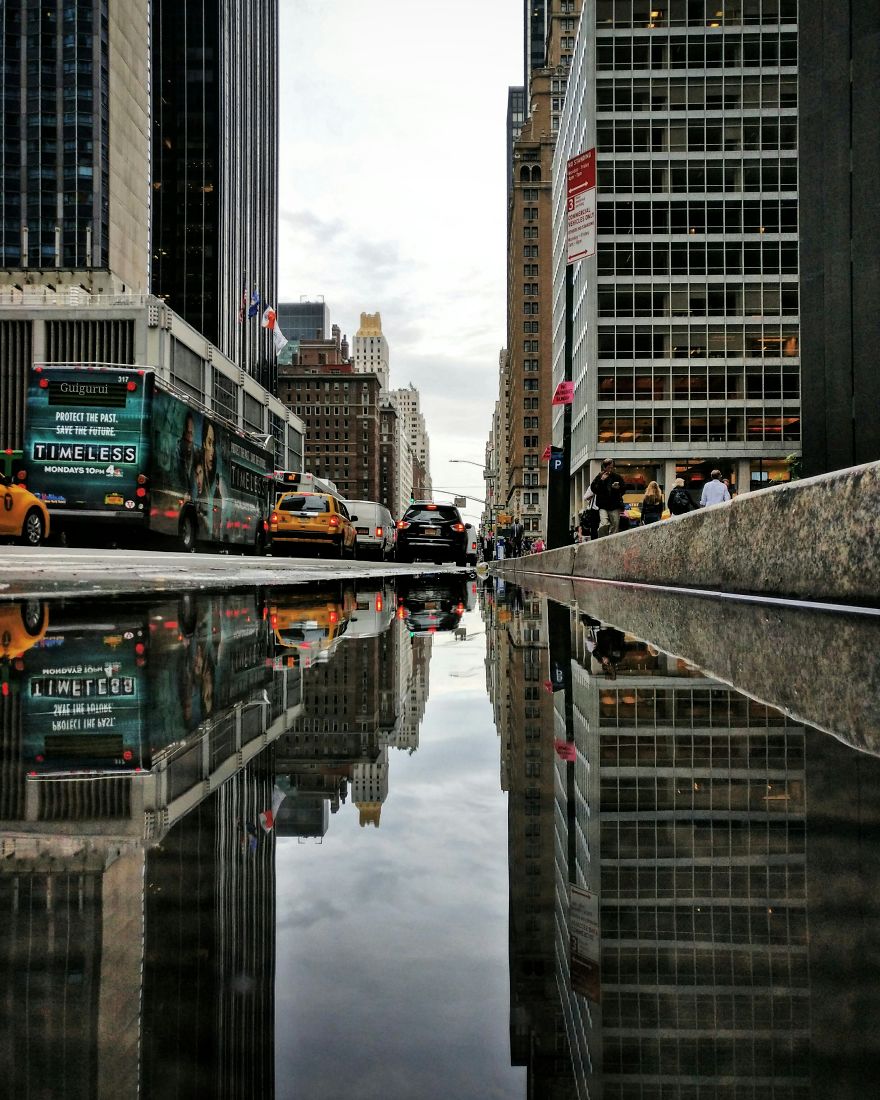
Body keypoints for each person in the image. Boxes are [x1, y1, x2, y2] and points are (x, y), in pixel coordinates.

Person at [589, 458, 626, 537]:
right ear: (604, 467)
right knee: (604, 523)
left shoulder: (617, 477)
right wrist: (601, 480)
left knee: (615, 524)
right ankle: (602, 538)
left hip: (614, 505)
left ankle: (612, 539)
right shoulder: (599, 476)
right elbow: (594, 489)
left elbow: (623, 489)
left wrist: (618, 488)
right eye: (609, 467)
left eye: (612, 467)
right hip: (603, 505)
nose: (611, 469)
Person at [176, 411, 195, 493]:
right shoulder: (178, 451)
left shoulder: (194, 454)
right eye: (188, 432)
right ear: (184, 433)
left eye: (192, 433)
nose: (190, 438)